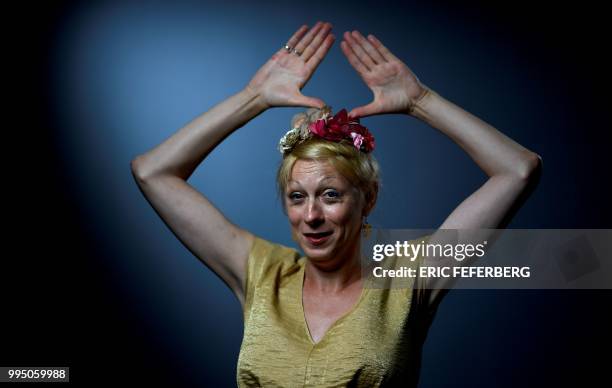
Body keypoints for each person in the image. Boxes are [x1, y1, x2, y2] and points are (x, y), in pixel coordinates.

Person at [131, 21, 541, 387]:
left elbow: (517, 170)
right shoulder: (261, 273)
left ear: (368, 199)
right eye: (297, 197)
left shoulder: (409, 277)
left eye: (330, 195)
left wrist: (421, 101)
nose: (311, 216)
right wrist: (253, 98)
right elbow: (153, 171)